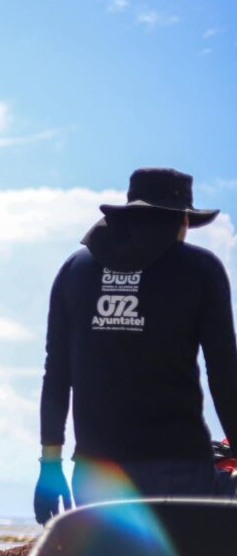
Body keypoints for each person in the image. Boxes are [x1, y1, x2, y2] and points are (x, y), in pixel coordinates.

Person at [34, 168, 237, 524]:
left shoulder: (75, 269)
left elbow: (57, 374)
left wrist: (50, 467)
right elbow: (224, 373)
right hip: (179, 470)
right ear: (182, 220)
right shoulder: (201, 269)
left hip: (97, 475)